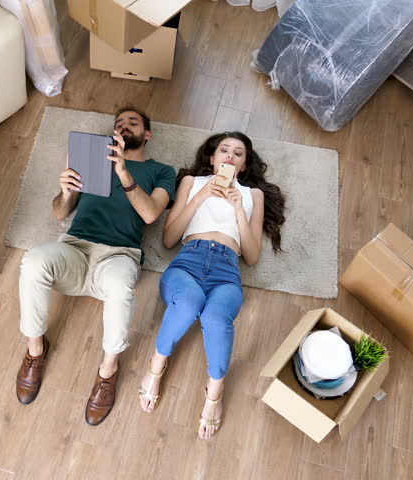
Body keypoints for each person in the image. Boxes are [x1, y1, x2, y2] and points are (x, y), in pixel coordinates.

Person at [15, 107, 176, 426]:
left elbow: (150, 215)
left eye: (133, 122)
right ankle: (35, 349)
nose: (124, 126)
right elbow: (60, 213)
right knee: (33, 261)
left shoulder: (162, 171)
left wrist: (124, 173)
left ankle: (108, 370)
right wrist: (66, 190)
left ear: (147, 135)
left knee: (119, 286)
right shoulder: (92, 158)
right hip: (75, 247)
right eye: (119, 123)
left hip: (120, 255)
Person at [138, 132, 285, 440]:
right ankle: (156, 365)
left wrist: (237, 211)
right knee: (189, 304)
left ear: (243, 166)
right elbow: (168, 240)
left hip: (228, 270)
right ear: (212, 158)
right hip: (188, 262)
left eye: (238, 154)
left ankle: (214, 391)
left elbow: (253, 257)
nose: (230, 157)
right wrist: (202, 196)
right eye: (224, 150)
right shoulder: (192, 182)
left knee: (216, 318)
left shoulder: (251, 195)